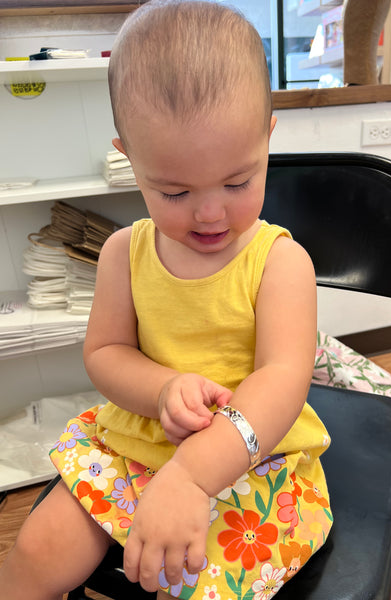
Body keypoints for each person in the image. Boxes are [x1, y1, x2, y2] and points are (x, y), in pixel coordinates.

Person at [0, 2, 332, 599]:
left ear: (267, 138)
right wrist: (161, 389)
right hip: (139, 441)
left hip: (250, 455)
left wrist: (193, 475)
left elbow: (283, 381)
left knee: (201, 583)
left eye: (237, 182)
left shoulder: (281, 263)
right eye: (174, 192)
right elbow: (104, 353)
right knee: (36, 552)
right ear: (129, 158)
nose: (210, 213)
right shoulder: (122, 253)